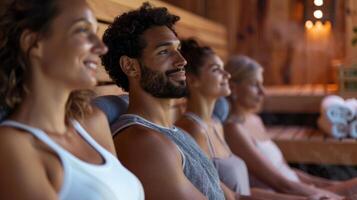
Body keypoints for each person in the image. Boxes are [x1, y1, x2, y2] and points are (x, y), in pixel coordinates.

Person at [0, 0, 144, 199]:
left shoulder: (93, 122)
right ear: (33, 43)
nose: (101, 47)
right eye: (83, 30)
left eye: (96, 31)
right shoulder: (13, 145)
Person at [101, 3, 225, 200]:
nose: (182, 61)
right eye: (164, 52)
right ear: (130, 66)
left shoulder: (176, 133)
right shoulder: (143, 144)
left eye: (177, 49)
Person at [175, 39, 326, 200]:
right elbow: (229, 196)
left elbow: (243, 194)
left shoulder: (216, 124)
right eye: (216, 70)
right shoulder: (193, 130)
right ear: (192, 80)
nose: (227, 75)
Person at [224, 55, 357, 199]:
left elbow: (286, 170)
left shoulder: (255, 120)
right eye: (254, 84)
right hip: (287, 195)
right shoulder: (233, 130)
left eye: (262, 84)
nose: (262, 92)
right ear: (233, 87)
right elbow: (281, 184)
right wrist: (337, 196)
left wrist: (328, 184)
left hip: (301, 188)